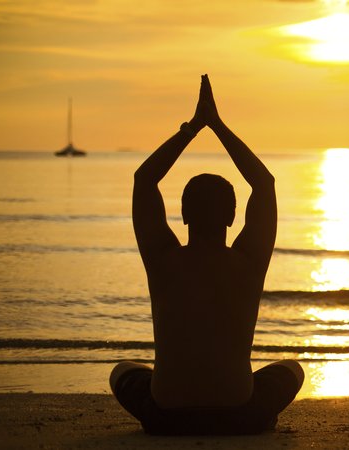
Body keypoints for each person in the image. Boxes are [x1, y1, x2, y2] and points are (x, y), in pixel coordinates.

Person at [109, 75, 304, 435]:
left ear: (182, 215)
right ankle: (261, 419)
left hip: (166, 416)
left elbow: (144, 180)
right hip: (238, 413)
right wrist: (218, 125)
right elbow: (264, 184)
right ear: (232, 217)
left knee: (121, 370)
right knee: (292, 369)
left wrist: (193, 128)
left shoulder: (162, 259)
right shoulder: (248, 262)